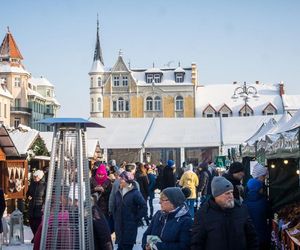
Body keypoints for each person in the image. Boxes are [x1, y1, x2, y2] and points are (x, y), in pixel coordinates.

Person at [191, 176, 259, 250]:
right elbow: (196, 243)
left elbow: (252, 237)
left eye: (231, 192)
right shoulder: (203, 214)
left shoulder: (241, 209)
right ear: (217, 196)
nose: (231, 196)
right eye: (227, 193)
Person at [114, 170, 147, 250]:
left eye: (121, 179)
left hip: (130, 227)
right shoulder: (118, 192)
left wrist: (135, 218)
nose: (119, 181)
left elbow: (144, 207)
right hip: (119, 227)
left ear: (126, 180)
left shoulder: (135, 193)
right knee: (120, 247)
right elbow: (115, 207)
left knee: (127, 247)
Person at [244, 178, 270, 250]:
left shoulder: (244, 203)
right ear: (258, 189)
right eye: (261, 187)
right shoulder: (263, 202)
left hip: (250, 238)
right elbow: (268, 215)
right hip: (263, 237)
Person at [26, 170, 46, 242]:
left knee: (37, 224)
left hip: (39, 207)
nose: (34, 178)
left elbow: (46, 196)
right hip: (32, 206)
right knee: (31, 222)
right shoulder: (32, 184)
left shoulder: (44, 185)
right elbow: (28, 193)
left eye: (36, 176)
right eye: (34, 176)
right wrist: (28, 196)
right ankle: (36, 236)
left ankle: (37, 238)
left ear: (40, 177)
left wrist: (44, 204)